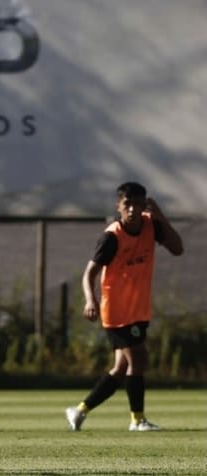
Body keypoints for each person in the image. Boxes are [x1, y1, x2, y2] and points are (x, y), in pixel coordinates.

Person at [65, 182, 183, 432]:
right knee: (139, 359)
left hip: (138, 309)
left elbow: (177, 249)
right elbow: (89, 274)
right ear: (118, 206)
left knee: (120, 369)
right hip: (116, 311)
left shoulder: (151, 225)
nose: (132, 209)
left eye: (137, 204)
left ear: (145, 205)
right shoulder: (112, 237)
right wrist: (90, 299)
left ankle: (80, 411)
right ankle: (137, 420)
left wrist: (160, 215)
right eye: (127, 204)